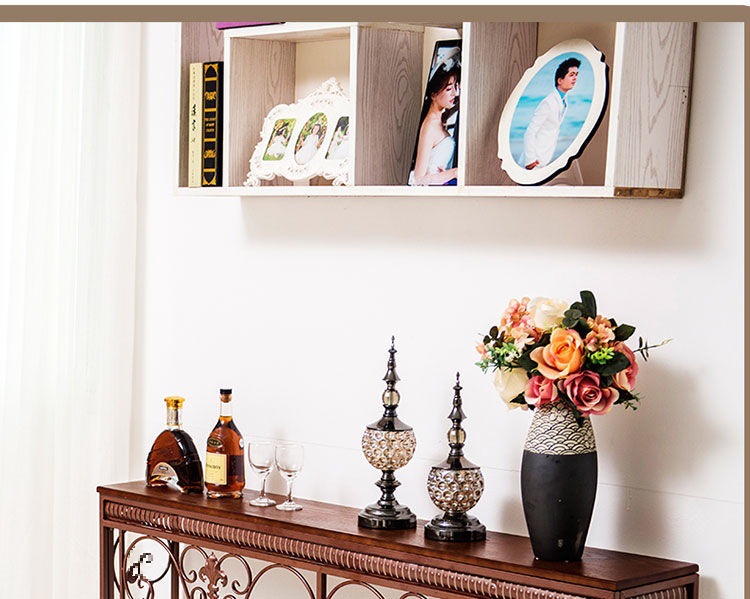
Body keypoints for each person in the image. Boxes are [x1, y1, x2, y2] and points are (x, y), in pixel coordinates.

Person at [408, 57, 460, 186]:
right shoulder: (430, 126)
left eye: (455, 87)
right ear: (433, 95)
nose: (454, 93)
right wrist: (454, 173)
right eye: (449, 89)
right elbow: (418, 180)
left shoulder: (438, 121)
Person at [522, 57, 580, 170]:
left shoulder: (564, 101)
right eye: (571, 75)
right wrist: (530, 161)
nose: (575, 78)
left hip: (545, 157)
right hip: (535, 161)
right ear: (560, 80)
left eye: (576, 74)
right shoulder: (548, 103)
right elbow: (530, 131)